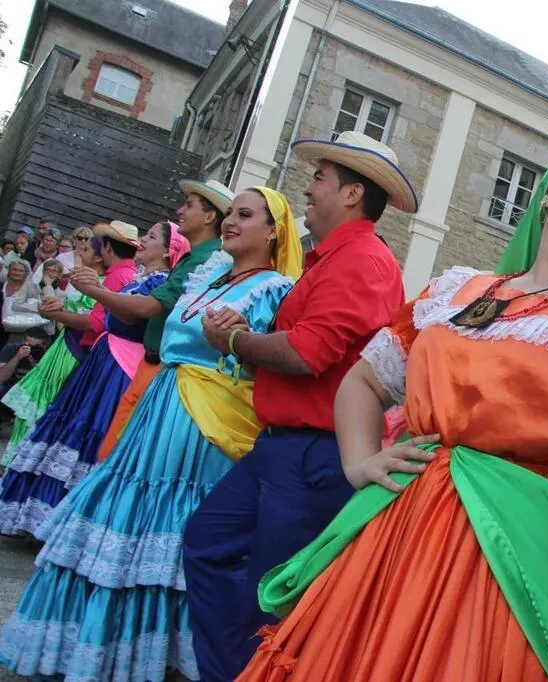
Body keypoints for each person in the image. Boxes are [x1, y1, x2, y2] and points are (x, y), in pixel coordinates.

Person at [234, 130, 548, 682]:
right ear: (547, 192)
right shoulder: (455, 291)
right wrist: (359, 462)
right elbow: (362, 382)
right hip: (399, 536)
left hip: (525, 562)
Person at [0, 187, 301, 682]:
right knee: (125, 517)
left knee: (175, 528)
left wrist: (241, 339)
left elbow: (267, 364)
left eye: (245, 215)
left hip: (203, 426)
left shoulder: (273, 289)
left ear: (273, 232)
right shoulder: (210, 277)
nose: (231, 222)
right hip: (161, 408)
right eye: (230, 213)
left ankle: (163, 654)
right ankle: (98, 647)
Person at [183, 132, 411, 681]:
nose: (307, 189)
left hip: (313, 455)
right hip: (284, 448)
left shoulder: (363, 260)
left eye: (319, 178)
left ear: (352, 194)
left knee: (271, 598)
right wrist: (247, 338)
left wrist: (234, 341)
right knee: (208, 547)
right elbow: (307, 344)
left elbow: (310, 351)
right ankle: (232, 673)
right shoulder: (333, 258)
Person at [0, 222, 143, 537]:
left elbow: (96, 321)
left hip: (94, 355)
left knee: (71, 424)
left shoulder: (118, 276)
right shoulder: (119, 275)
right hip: (87, 351)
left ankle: (44, 510)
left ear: (106, 249)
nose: (84, 250)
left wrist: (57, 315)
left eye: (90, 246)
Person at [73, 179, 230, 461]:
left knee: (118, 451)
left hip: (157, 367)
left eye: (189, 205)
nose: (180, 210)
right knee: (112, 447)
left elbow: (147, 308)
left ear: (209, 217)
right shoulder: (196, 257)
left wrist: (96, 291)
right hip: (147, 363)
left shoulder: (205, 260)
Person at [0, 236, 106, 467]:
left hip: (72, 351)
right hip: (62, 346)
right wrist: (54, 299)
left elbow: (90, 321)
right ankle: (14, 459)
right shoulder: (82, 279)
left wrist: (57, 312)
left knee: (47, 400)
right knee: (35, 399)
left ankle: (27, 461)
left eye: (86, 249)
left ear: (100, 256)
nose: (80, 251)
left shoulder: (102, 284)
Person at [0, 327, 50, 399]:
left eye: (35, 347)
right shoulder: (11, 349)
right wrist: (17, 357)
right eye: (29, 346)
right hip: (11, 390)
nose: (31, 349)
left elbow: (46, 382)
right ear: (23, 341)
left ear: (44, 346)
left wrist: (34, 363)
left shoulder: (47, 354)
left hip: (35, 392)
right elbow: (1, 377)